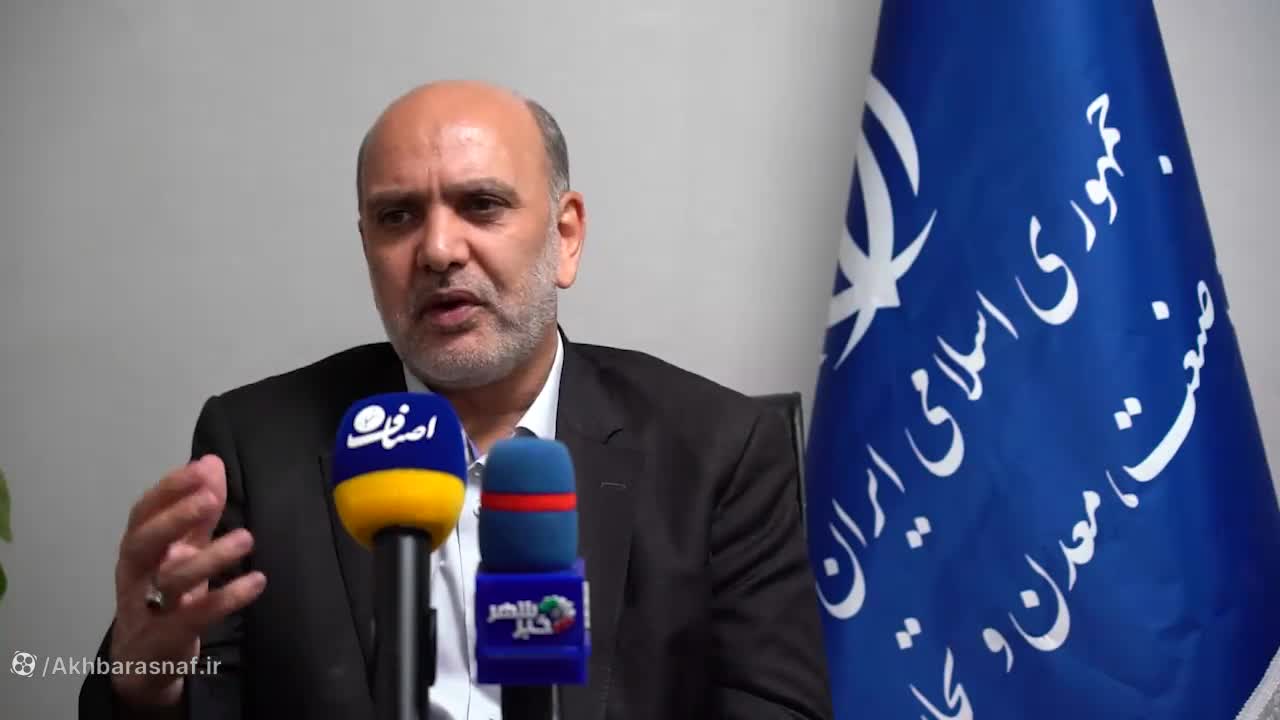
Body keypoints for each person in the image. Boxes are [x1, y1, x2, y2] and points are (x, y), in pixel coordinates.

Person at [78, 80, 833, 719]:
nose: (438, 250)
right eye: (398, 216)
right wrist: (146, 683)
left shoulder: (719, 449)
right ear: (368, 247)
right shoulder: (255, 444)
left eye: (481, 205)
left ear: (566, 237)